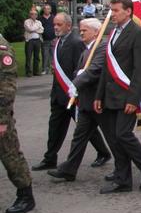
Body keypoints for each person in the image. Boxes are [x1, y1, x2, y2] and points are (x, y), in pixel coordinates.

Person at [94, 0, 141, 193]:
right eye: (111, 10)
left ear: (128, 11)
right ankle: (123, 180)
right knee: (114, 138)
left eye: (115, 10)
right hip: (110, 95)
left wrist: (133, 99)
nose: (111, 14)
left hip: (127, 95)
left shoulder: (139, 33)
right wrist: (99, 95)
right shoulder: (114, 33)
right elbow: (107, 68)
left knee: (123, 134)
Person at [31, 13, 109, 171]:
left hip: (73, 94)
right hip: (59, 95)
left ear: (68, 26)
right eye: (54, 24)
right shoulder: (58, 42)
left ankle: (103, 153)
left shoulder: (76, 42)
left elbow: (81, 67)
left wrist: (76, 89)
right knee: (55, 128)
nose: (55, 27)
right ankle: (50, 158)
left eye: (59, 25)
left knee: (86, 129)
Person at [0, 33, 36, 213]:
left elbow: (6, 88)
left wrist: (3, 120)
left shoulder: (2, 48)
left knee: (10, 155)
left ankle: (25, 195)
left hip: (0, 114)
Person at [24, 9, 44, 77]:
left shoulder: (39, 22)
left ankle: (36, 71)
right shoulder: (27, 21)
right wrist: (37, 28)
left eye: (35, 14)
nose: (34, 15)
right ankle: (28, 72)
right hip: (29, 41)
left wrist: (34, 29)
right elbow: (29, 29)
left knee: (37, 57)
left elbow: (42, 30)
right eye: (32, 14)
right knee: (29, 56)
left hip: (37, 40)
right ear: (30, 15)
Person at [38, 4, 55, 74]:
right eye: (45, 9)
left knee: (53, 55)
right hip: (44, 40)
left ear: (50, 10)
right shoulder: (40, 19)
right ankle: (44, 69)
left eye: (48, 9)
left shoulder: (54, 18)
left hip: (53, 39)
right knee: (45, 55)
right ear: (43, 10)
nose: (47, 10)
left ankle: (52, 69)